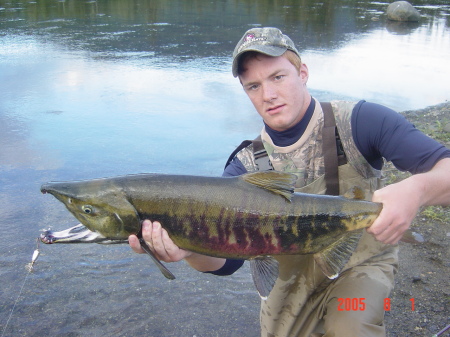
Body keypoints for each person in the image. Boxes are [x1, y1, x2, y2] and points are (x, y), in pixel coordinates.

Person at [129, 27, 450, 336]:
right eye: (253, 86)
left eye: (277, 77)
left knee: (353, 323)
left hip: (361, 269)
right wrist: (189, 251)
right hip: (287, 287)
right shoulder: (244, 167)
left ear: (303, 73)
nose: (268, 95)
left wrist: (416, 189)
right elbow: (228, 263)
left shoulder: (361, 122)